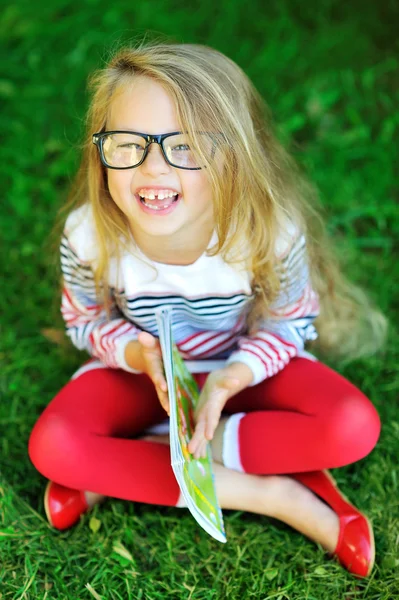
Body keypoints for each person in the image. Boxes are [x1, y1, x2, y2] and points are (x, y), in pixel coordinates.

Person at [28, 41, 387, 578]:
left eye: (186, 145)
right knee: (53, 445)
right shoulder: (90, 235)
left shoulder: (268, 231)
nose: (153, 170)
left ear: (232, 154)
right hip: (142, 378)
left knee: (353, 426)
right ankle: (278, 497)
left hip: (243, 375)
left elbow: (287, 323)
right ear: (100, 151)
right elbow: (85, 320)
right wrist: (135, 351)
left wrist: (232, 378)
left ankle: (135, 460)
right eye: (128, 145)